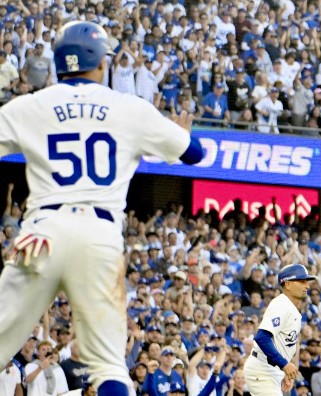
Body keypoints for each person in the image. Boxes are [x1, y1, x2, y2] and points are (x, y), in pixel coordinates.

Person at [0, 21, 204, 396]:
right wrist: (181, 133)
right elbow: (195, 154)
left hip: (42, 232)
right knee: (110, 365)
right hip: (100, 236)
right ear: (101, 62)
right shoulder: (129, 107)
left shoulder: (29, 106)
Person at [244, 264, 316, 395]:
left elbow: (283, 344)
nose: (307, 286)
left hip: (271, 370)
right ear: (288, 284)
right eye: (302, 281)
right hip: (262, 369)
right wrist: (284, 364)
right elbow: (262, 337)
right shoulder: (281, 305)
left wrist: (283, 370)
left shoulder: (291, 308)